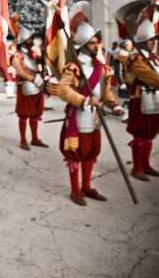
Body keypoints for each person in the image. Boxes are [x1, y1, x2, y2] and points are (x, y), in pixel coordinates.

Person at [58, 14, 123, 206]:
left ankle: (86, 186)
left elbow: (106, 92)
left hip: (95, 118)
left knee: (91, 152)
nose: (97, 46)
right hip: (78, 117)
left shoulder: (101, 68)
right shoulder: (73, 68)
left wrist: (115, 105)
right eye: (93, 43)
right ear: (85, 45)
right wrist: (85, 100)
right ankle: (75, 189)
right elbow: (63, 90)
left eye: (98, 42)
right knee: (76, 153)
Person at [125, 18, 159, 181]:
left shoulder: (153, 58)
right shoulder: (135, 59)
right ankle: (137, 167)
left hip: (154, 97)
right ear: (144, 41)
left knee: (150, 133)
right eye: (152, 40)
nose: (154, 43)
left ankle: (146, 164)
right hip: (140, 99)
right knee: (140, 132)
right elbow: (149, 76)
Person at [10, 25, 47, 150]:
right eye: (29, 39)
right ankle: (23, 140)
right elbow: (20, 71)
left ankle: (35, 138)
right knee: (24, 114)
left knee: (35, 114)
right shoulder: (17, 55)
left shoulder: (33, 54)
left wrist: (44, 70)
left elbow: (38, 67)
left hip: (37, 86)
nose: (32, 41)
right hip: (26, 87)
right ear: (23, 41)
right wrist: (33, 78)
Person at [112, 39, 133, 121]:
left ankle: (128, 115)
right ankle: (125, 116)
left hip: (131, 81)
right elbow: (117, 72)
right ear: (125, 46)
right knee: (127, 100)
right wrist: (122, 83)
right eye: (129, 45)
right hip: (125, 82)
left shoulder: (130, 56)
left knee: (130, 99)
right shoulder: (119, 57)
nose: (131, 47)